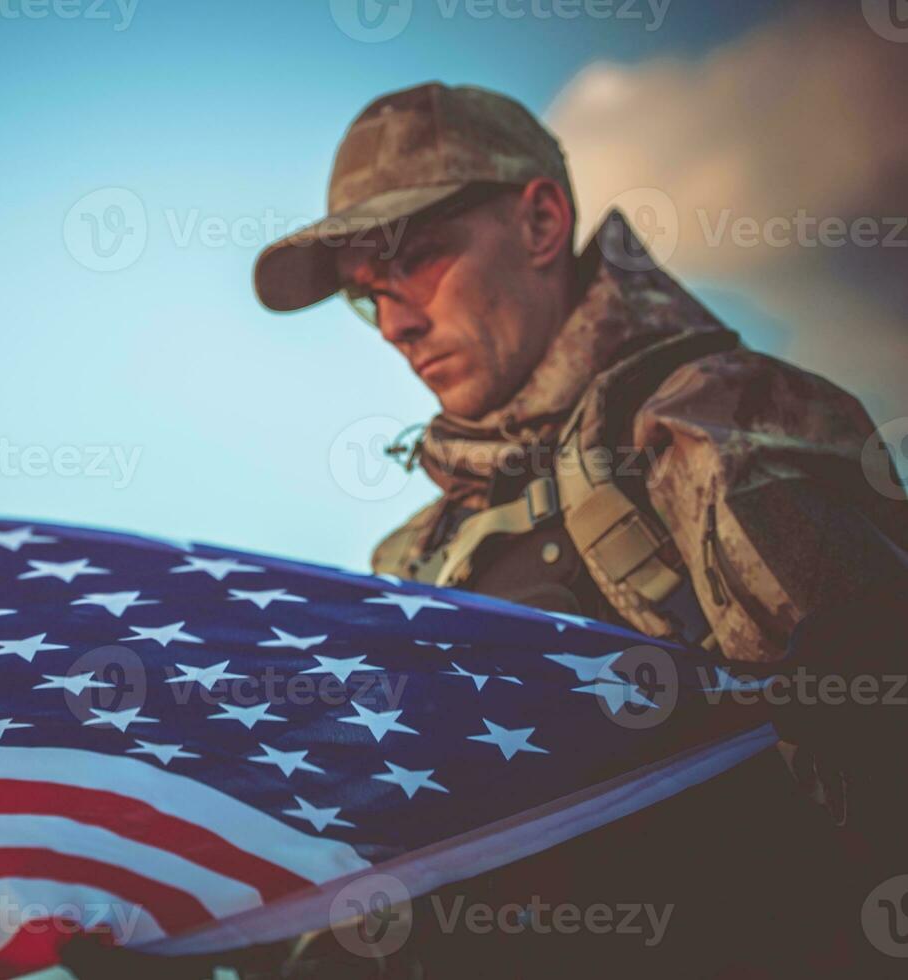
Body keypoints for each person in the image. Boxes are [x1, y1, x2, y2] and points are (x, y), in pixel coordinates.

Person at [241, 81, 908, 977]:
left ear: (541, 223)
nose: (395, 322)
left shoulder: (706, 425)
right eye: (367, 295)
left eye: (419, 259)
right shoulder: (412, 562)